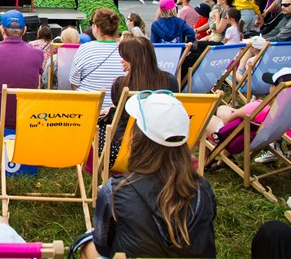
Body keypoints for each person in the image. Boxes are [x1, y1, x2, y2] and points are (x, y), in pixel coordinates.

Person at [78, 91, 217, 258]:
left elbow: (102, 245)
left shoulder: (115, 190)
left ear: (137, 137)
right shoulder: (203, 189)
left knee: (87, 242)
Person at [107, 38, 179, 151]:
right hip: (161, 146)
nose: (121, 60)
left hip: (125, 146)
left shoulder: (120, 84)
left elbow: (120, 110)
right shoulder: (170, 81)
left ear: (133, 59)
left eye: (125, 57)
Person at [0, 10, 43, 129]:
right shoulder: (37, 53)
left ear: (2, 30)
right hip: (26, 115)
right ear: (24, 30)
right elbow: (36, 85)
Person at [70, 8, 125, 112]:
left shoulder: (85, 49)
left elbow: (74, 83)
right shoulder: (125, 49)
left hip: (87, 110)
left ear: (96, 27)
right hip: (115, 111)